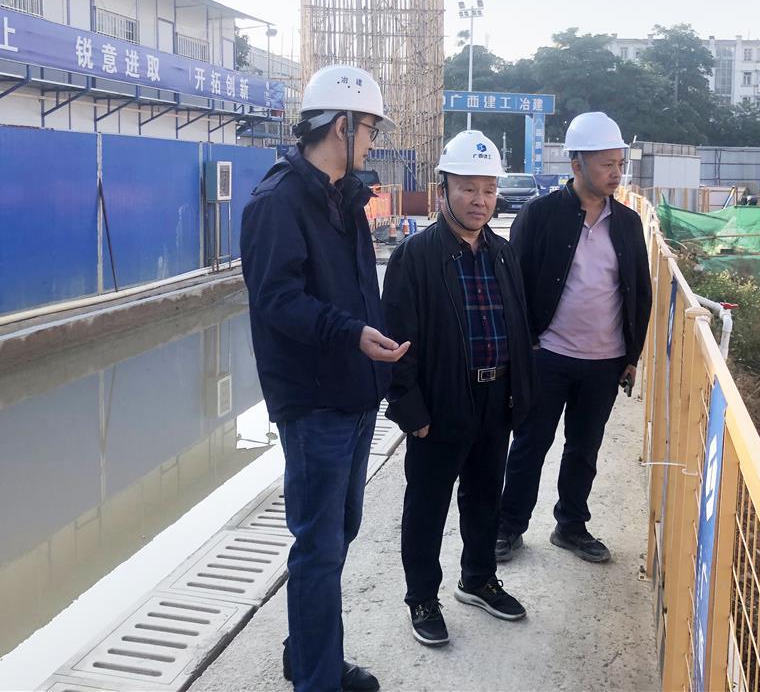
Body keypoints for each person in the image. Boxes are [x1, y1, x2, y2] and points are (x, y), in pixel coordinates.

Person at [240, 64, 409, 692]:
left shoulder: (347, 198)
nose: (373, 141)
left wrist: (378, 356)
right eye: (370, 129)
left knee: (337, 535)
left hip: (355, 393)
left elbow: (359, 292)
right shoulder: (277, 203)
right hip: (313, 404)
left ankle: (307, 655)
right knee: (318, 546)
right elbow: (277, 300)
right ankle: (317, 680)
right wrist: (351, 333)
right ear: (341, 125)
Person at [382, 130, 534, 647]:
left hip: (496, 397)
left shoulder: (503, 254)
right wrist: (411, 410)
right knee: (427, 505)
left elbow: (519, 327)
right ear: (443, 187)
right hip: (441, 401)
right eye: (468, 188)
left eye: (489, 190)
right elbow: (398, 340)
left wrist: (520, 396)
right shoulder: (415, 256)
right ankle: (422, 597)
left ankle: (478, 579)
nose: (480, 200)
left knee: (485, 496)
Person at [495, 112, 652, 565]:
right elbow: (513, 284)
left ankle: (571, 525)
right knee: (530, 443)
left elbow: (640, 291)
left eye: (619, 164)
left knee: (584, 447)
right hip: (549, 355)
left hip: (605, 361)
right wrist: (525, 345)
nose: (616, 173)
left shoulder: (627, 222)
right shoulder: (540, 215)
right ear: (577, 164)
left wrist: (632, 355)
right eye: (606, 164)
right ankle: (508, 526)